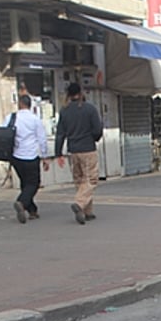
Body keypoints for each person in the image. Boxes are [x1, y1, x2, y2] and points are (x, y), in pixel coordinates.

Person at [54, 82, 103, 225]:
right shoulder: (89, 109)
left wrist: (58, 153)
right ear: (80, 93)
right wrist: (94, 138)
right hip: (88, 149)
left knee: (80, 180)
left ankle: (87, 212)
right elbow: (97, 130)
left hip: (73, 150)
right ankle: (79, 203)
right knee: (91, 180)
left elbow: (60, 134)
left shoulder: (64, 111)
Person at [10, 93, 49, 223]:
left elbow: (4, 133)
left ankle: (32, 210)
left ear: (20, 104)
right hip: (31, 156)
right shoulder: (34, 119)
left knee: (25, 183)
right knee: (33, 183)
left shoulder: (11, 118)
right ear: (30, 105)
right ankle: (21, 202)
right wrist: (44, 156)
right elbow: (42, 139)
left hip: (16, 156)